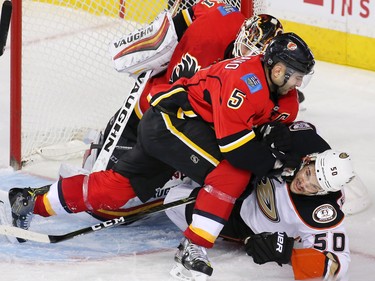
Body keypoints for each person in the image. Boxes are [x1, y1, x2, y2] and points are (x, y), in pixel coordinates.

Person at [85, 1, 287, 172]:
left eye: (254, 55)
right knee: (117, 147)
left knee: (141, 168)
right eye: (245, 48)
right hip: (154, 99)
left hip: (181, 127)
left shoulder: (248, 84)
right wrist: (158, 41)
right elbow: (191, 13)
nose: (245, 56)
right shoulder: (223, 17)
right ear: (241, 34)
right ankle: (102, 144)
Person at [164, 121, 355, 281]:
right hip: (244, 181)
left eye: (314, 187)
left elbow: (335, 266)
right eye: (307, 174)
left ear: (323, 193)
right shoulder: (303, 143)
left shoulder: (322, 212)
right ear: (309, 160)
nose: (303, 184)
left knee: (174, 201)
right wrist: (271, 129)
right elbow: (296, 127)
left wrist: (288, 254)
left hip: (247, 226)